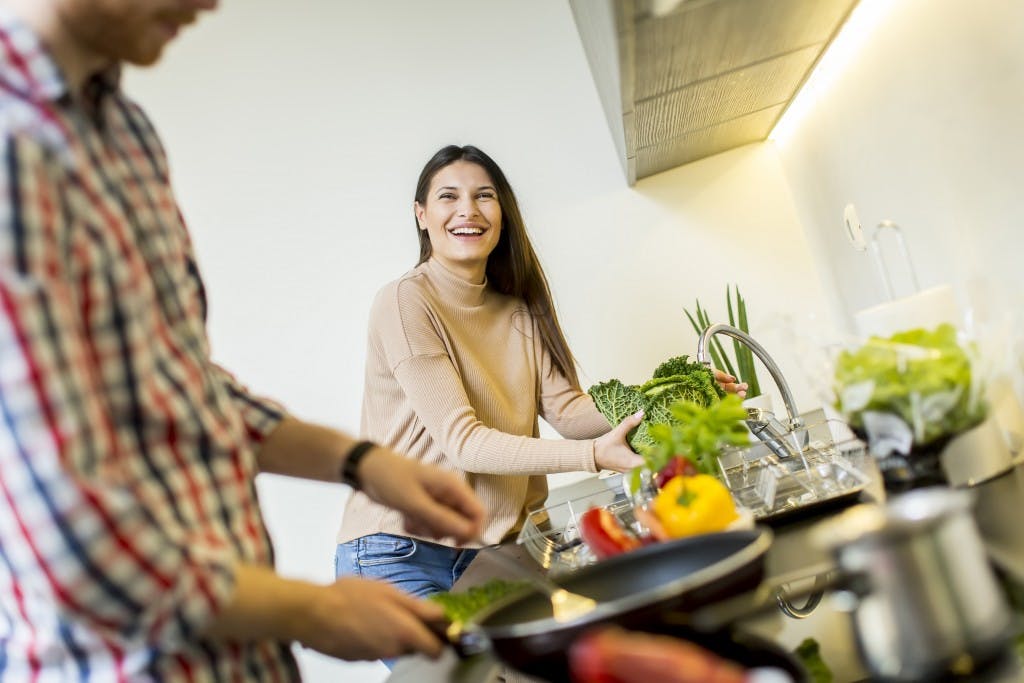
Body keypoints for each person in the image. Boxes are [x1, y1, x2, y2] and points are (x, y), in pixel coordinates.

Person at [0, 1, 485, 679]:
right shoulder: (11, 154)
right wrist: (315, 611)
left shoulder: (125, 131)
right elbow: (73, 538)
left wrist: (361, 460)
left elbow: (180, 385)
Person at [335, 144, 746, 599]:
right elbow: (464, 444)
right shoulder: (404, 301)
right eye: (448, 197)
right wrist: (594, 456)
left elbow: (568, 413)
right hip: (401, 554)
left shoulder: (518, 311)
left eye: (484, 196)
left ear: (503, 213)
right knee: (465, 674)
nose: (467, 210)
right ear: (421, 215)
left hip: (496, 551)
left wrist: (672, 394)